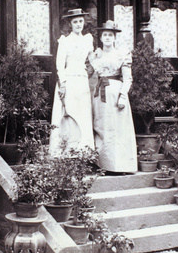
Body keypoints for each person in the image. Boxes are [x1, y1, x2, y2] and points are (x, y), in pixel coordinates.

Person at [90, 20, 137, 173]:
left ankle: (120, 166)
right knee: (101, 127)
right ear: (101, 38)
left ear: (115, 38)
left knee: (117, 129)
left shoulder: (121, 54)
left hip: (115, 94)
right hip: (100, 95)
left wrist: (123, 96)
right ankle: (103, 165)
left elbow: (127, 78)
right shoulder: (95, 55)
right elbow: (89, 73)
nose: (108, 38)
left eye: (111, 35)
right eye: (105, 35)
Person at [49, 9, 95, 156]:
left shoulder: (87, 39)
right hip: (68, 82)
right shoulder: (65, 41)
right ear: (70, 24)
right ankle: (65, 153)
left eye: (80, 21)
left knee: (82, 115)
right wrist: (62, 84)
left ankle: (83, 153)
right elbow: (59, 65)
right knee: (68, 114)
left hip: (82, 82)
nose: (78, 24)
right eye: (75, 22)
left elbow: (92, 61)